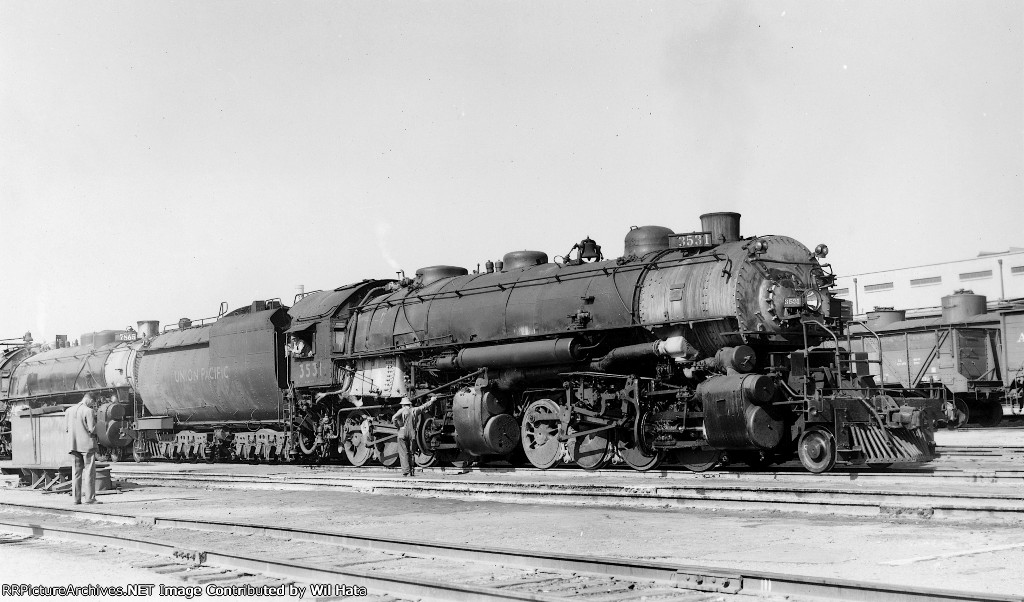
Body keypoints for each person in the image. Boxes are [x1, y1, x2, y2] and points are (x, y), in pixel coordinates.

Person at [391, 395, 439, 477]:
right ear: (409, 404)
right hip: (412, 433)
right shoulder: (415, 410)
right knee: (412, 452)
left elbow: (394, 418)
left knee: (403, 452)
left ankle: (406, 471)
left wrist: (398, 426)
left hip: (402, 433)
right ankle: (411, 471)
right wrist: (431, 401)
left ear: (403, 404)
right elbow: (423, 407)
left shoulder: (401, 410)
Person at [65, 392, 99, 504]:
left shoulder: (68, 411)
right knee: (89, 472)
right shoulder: (88, 411)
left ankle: (76, 499)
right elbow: (92, 429)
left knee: (76, 472)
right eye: (93, 403)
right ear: (90, 400)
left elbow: (66, 429)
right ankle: (90, 498)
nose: (92, 405)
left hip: (73, 445)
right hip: (87, 446)